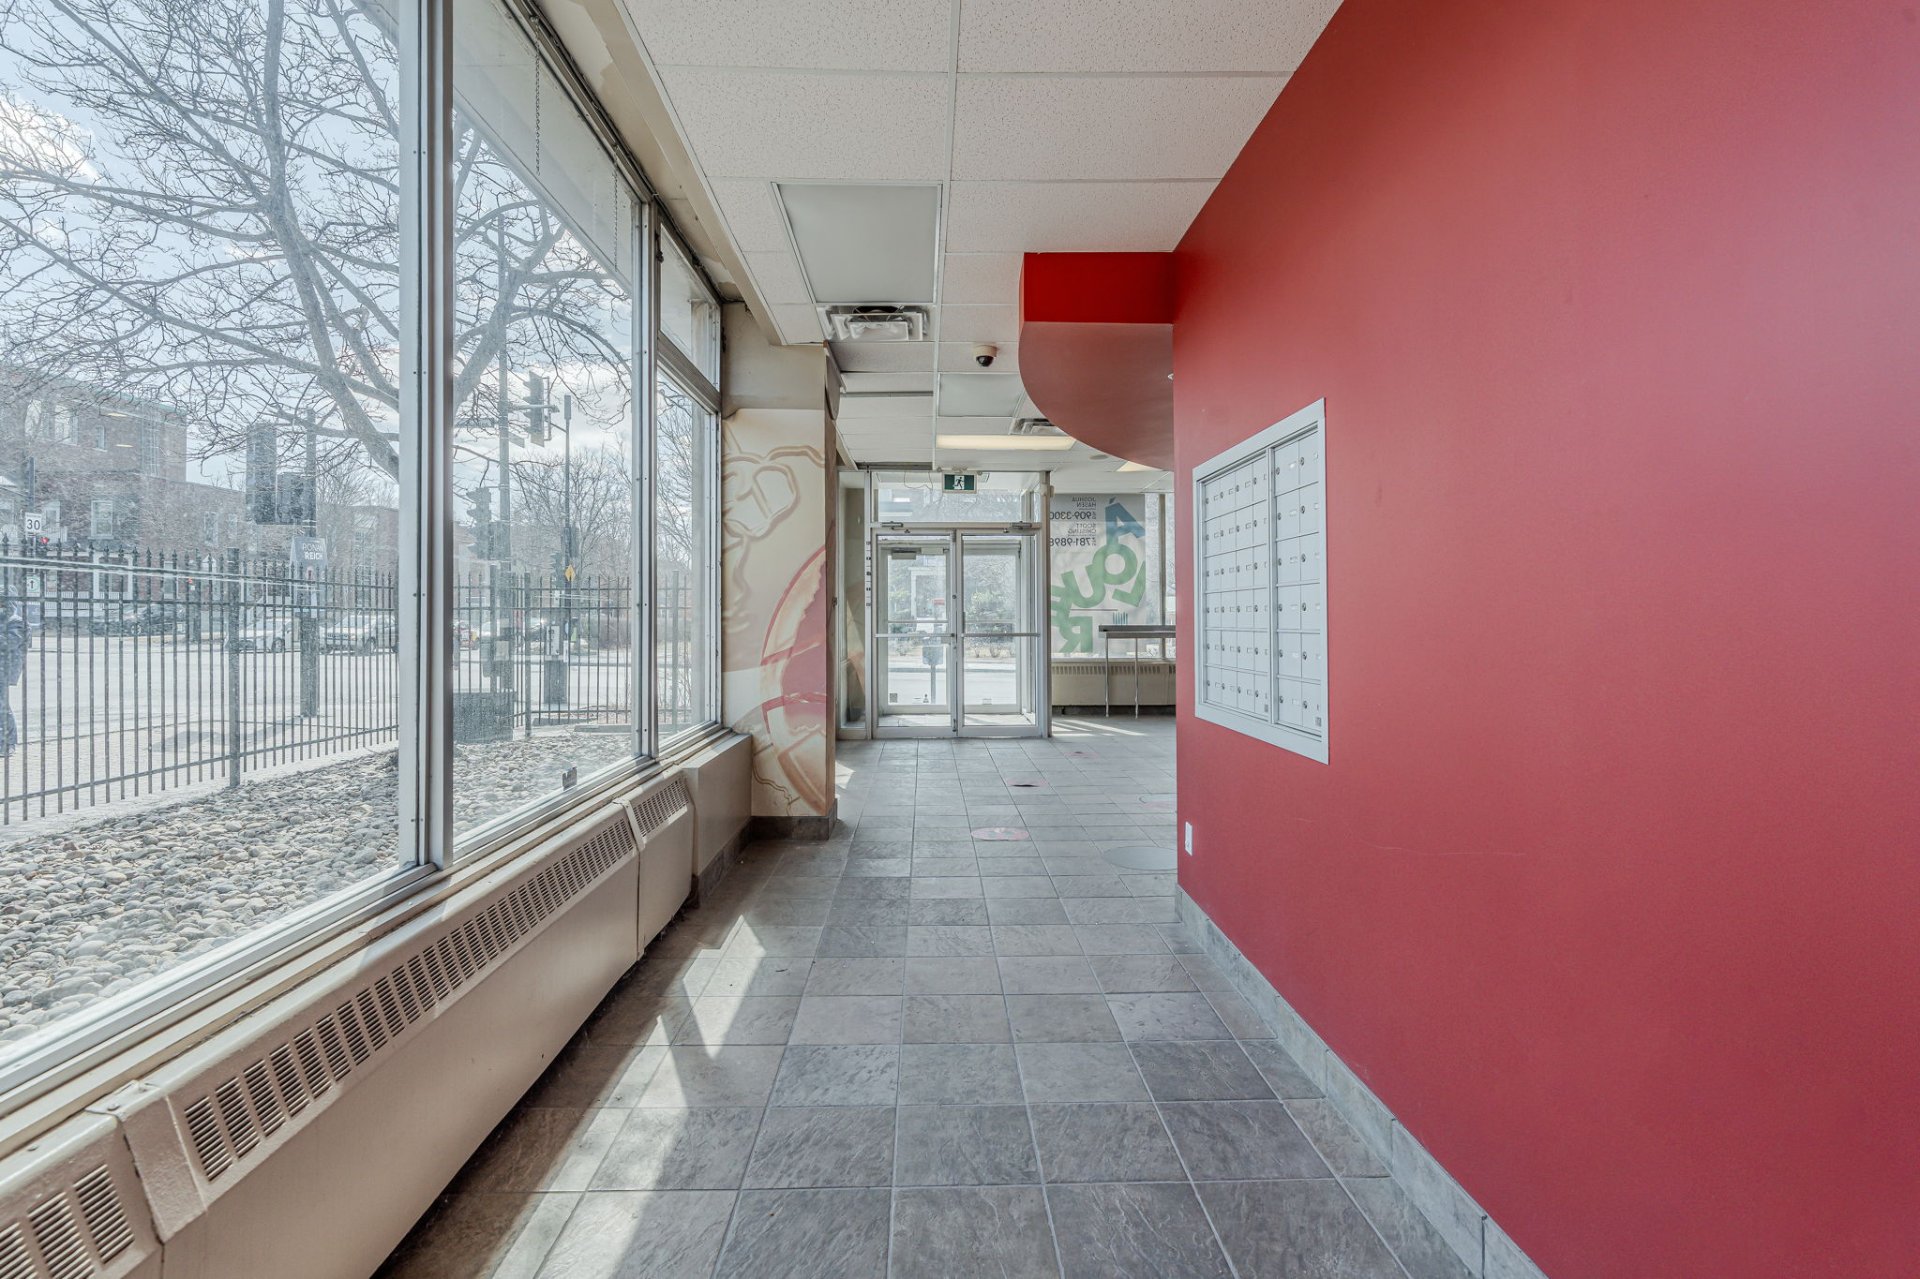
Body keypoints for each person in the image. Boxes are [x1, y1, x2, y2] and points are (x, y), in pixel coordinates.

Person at [0, 596, 26, 756]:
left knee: (2, 706)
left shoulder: (16, 622)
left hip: (4, 670)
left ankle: (8, 742)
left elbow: (9, 643)